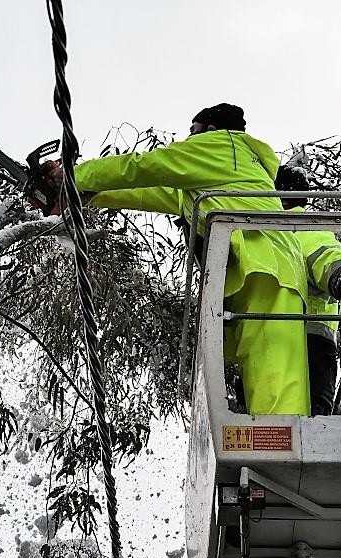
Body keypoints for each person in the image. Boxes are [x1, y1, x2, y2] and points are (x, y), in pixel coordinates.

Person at [49, 104, 311, 415]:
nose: (189, 138)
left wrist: (72, 176)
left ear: (212, 130)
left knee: (279, 389)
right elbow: (153, 191)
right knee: (264, 375)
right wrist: (91, 194)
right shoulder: (216, 175)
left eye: (194, 131)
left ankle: (286, 456)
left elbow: (143, 166)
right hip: (254, 271)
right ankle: (273, 453)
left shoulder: (220, 146)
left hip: (268, 268)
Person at [275, 165, 341, 415]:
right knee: (311, 431)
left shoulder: (298, 228)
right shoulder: (276, 229)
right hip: (311, 345)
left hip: (304, 346)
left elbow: (327, 255)